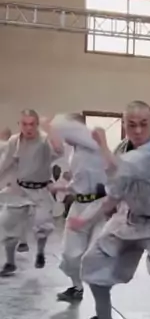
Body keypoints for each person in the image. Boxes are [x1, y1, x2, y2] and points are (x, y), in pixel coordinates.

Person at [72, 101, 150, 319]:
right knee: (93, 261)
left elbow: (119, 168)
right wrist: (86, 219)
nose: (137, 130)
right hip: (129, 219)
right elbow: (115, 193)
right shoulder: (123, 148)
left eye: (143, 124)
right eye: (131, 125)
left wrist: (101, 144)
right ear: (124, 124)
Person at [45, 114, 110, 304]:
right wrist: (63, 187)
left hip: (99, 205)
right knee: (69, 252)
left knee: (96, 255)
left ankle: (102, 302)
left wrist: (49, 125)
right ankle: (77, 287)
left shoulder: (94, 146)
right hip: (79, 205)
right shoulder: (75, 151)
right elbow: (79, 180)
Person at [0, 110, 63, 276]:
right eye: (25, 124)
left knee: (42, 224)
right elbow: (5, 163)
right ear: (19, 124)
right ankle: (10, 262)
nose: (28, 128)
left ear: (37, 124)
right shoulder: (14, 141)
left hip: (41, 189)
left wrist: (50, 128)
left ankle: (40, 252)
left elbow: (59, 150)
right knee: (7, 223)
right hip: (20, 189)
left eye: (32, 124)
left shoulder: (45, 140)